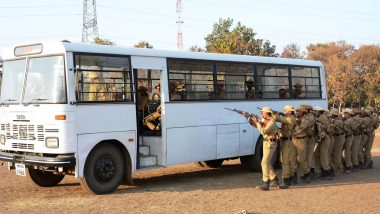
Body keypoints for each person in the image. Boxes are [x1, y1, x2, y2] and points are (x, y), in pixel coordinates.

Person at [249, 107, 281, 191]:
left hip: (270, 144)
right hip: (266, 143)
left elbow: (263, 131)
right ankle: (274, 179)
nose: (261, 114)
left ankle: (266, 182)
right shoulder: (267, 121)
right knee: (267, 162)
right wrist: (252, 122)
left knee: (264, 162)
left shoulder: (271, 122)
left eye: (263, 112)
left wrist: (257, 122)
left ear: (267, 113)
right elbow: (259, 127)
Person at [275, 105, 297, 187]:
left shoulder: (291, 119)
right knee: (289, 161)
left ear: (290, 111)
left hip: (289, 141)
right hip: (286, 141)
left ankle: (286, 180)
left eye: (286, 111)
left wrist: (273, 115)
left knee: (285, 161)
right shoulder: (290, 118)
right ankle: (292, 178)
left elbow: (280, 119)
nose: (285, 112)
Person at [292, 106, 311, 183]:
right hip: (294, 140)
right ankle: (294, 176)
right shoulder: (296, 119)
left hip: (301, 140)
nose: (296, 112)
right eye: (296, 111)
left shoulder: (305, 120)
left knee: (302, 159)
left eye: (298, 111)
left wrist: (293, 133)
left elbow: (301, 129)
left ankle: (307, 174)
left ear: (302, 112)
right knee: (293, 158)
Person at [313, 107, 333, 180]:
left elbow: (323, 128)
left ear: (319, 111)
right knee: (317, 154)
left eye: (315, 111)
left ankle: (327, 172)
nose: (315, 112)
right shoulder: (323, 117)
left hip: (324, 138)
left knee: (323, 156)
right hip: (323, 138)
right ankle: (323, 170)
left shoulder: (321, 118)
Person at [330, 109, 345, 173]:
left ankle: (340, 168)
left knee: (337, 154)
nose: (331, 115)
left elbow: (332, 126)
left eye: (332, 114)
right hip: (336, 137)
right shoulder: (335, 120)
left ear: (334, 115)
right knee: (334, 154)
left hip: (339, 137)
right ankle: (336, 167)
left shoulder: (338, 121)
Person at [342, 108, 355, 173]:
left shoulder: (349, 120)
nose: (344, 114)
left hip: (348, 137)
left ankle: (348, 167)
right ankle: (346, 165)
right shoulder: (348, 119)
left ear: (349, 114)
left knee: (347, 153)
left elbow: (343, 125)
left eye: (345, 113)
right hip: (347, 137)